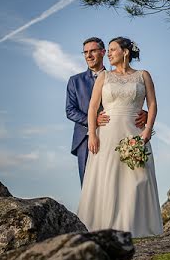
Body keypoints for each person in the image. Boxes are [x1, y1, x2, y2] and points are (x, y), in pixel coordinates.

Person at [76, 36, 164, 237]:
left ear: (125, 52)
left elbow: (152, 104)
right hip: (107, 134)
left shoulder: (143, 75)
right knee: (109, 177)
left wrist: (148, 130)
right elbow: (92, 107)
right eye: (108, 50)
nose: (109, 53)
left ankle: (137, 226)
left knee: (137, 177)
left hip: (135, 133)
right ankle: (104, 227)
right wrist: (92, 134)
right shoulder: (104, 77)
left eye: (113, 49)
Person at [66, 37, 147, 187]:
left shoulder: (117, 77)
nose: (88, 55)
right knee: (89, 186)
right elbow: (70, 110)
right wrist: (93, 121)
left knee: (119, 183)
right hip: (85, 138)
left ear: (103, 52)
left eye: (92, 51)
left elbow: (129, 100)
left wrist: (145, 114)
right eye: (85, 52)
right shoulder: (74, 81)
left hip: (118, 134)